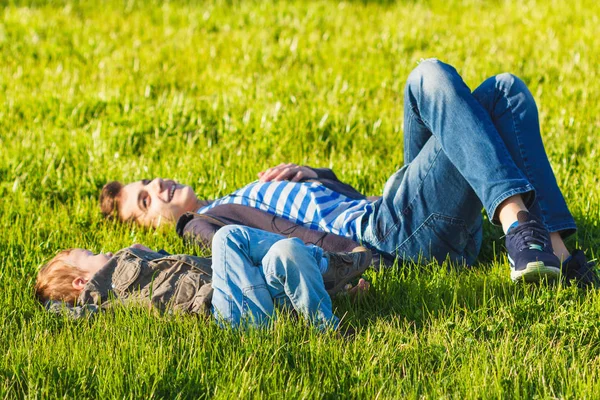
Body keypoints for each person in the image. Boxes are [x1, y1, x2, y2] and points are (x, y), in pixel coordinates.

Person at [99, 59, 596, 285]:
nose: (155, 188)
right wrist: (347, 267)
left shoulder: (239, 194)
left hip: (388, 212)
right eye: (144, 201)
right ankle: (519, 224)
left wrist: (310, 173)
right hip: (389, 240)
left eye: (147, 182)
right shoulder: (207, 229)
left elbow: (323, 205)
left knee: (505, 89)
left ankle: (554, 254)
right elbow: (275, 255)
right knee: (427, 76)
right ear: (148, 227)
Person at [34, 225, 372, 331]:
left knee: (285, 252)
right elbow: (68, 312)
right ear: (81, 282)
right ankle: (326, 264)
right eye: (92, 255)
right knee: (226, 237)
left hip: (249, 289)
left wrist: (146, 255)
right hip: (227, 310)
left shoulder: (131, 266)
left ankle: (327, 317)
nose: (103, 252)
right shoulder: (102, 297)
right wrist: (50, 306)